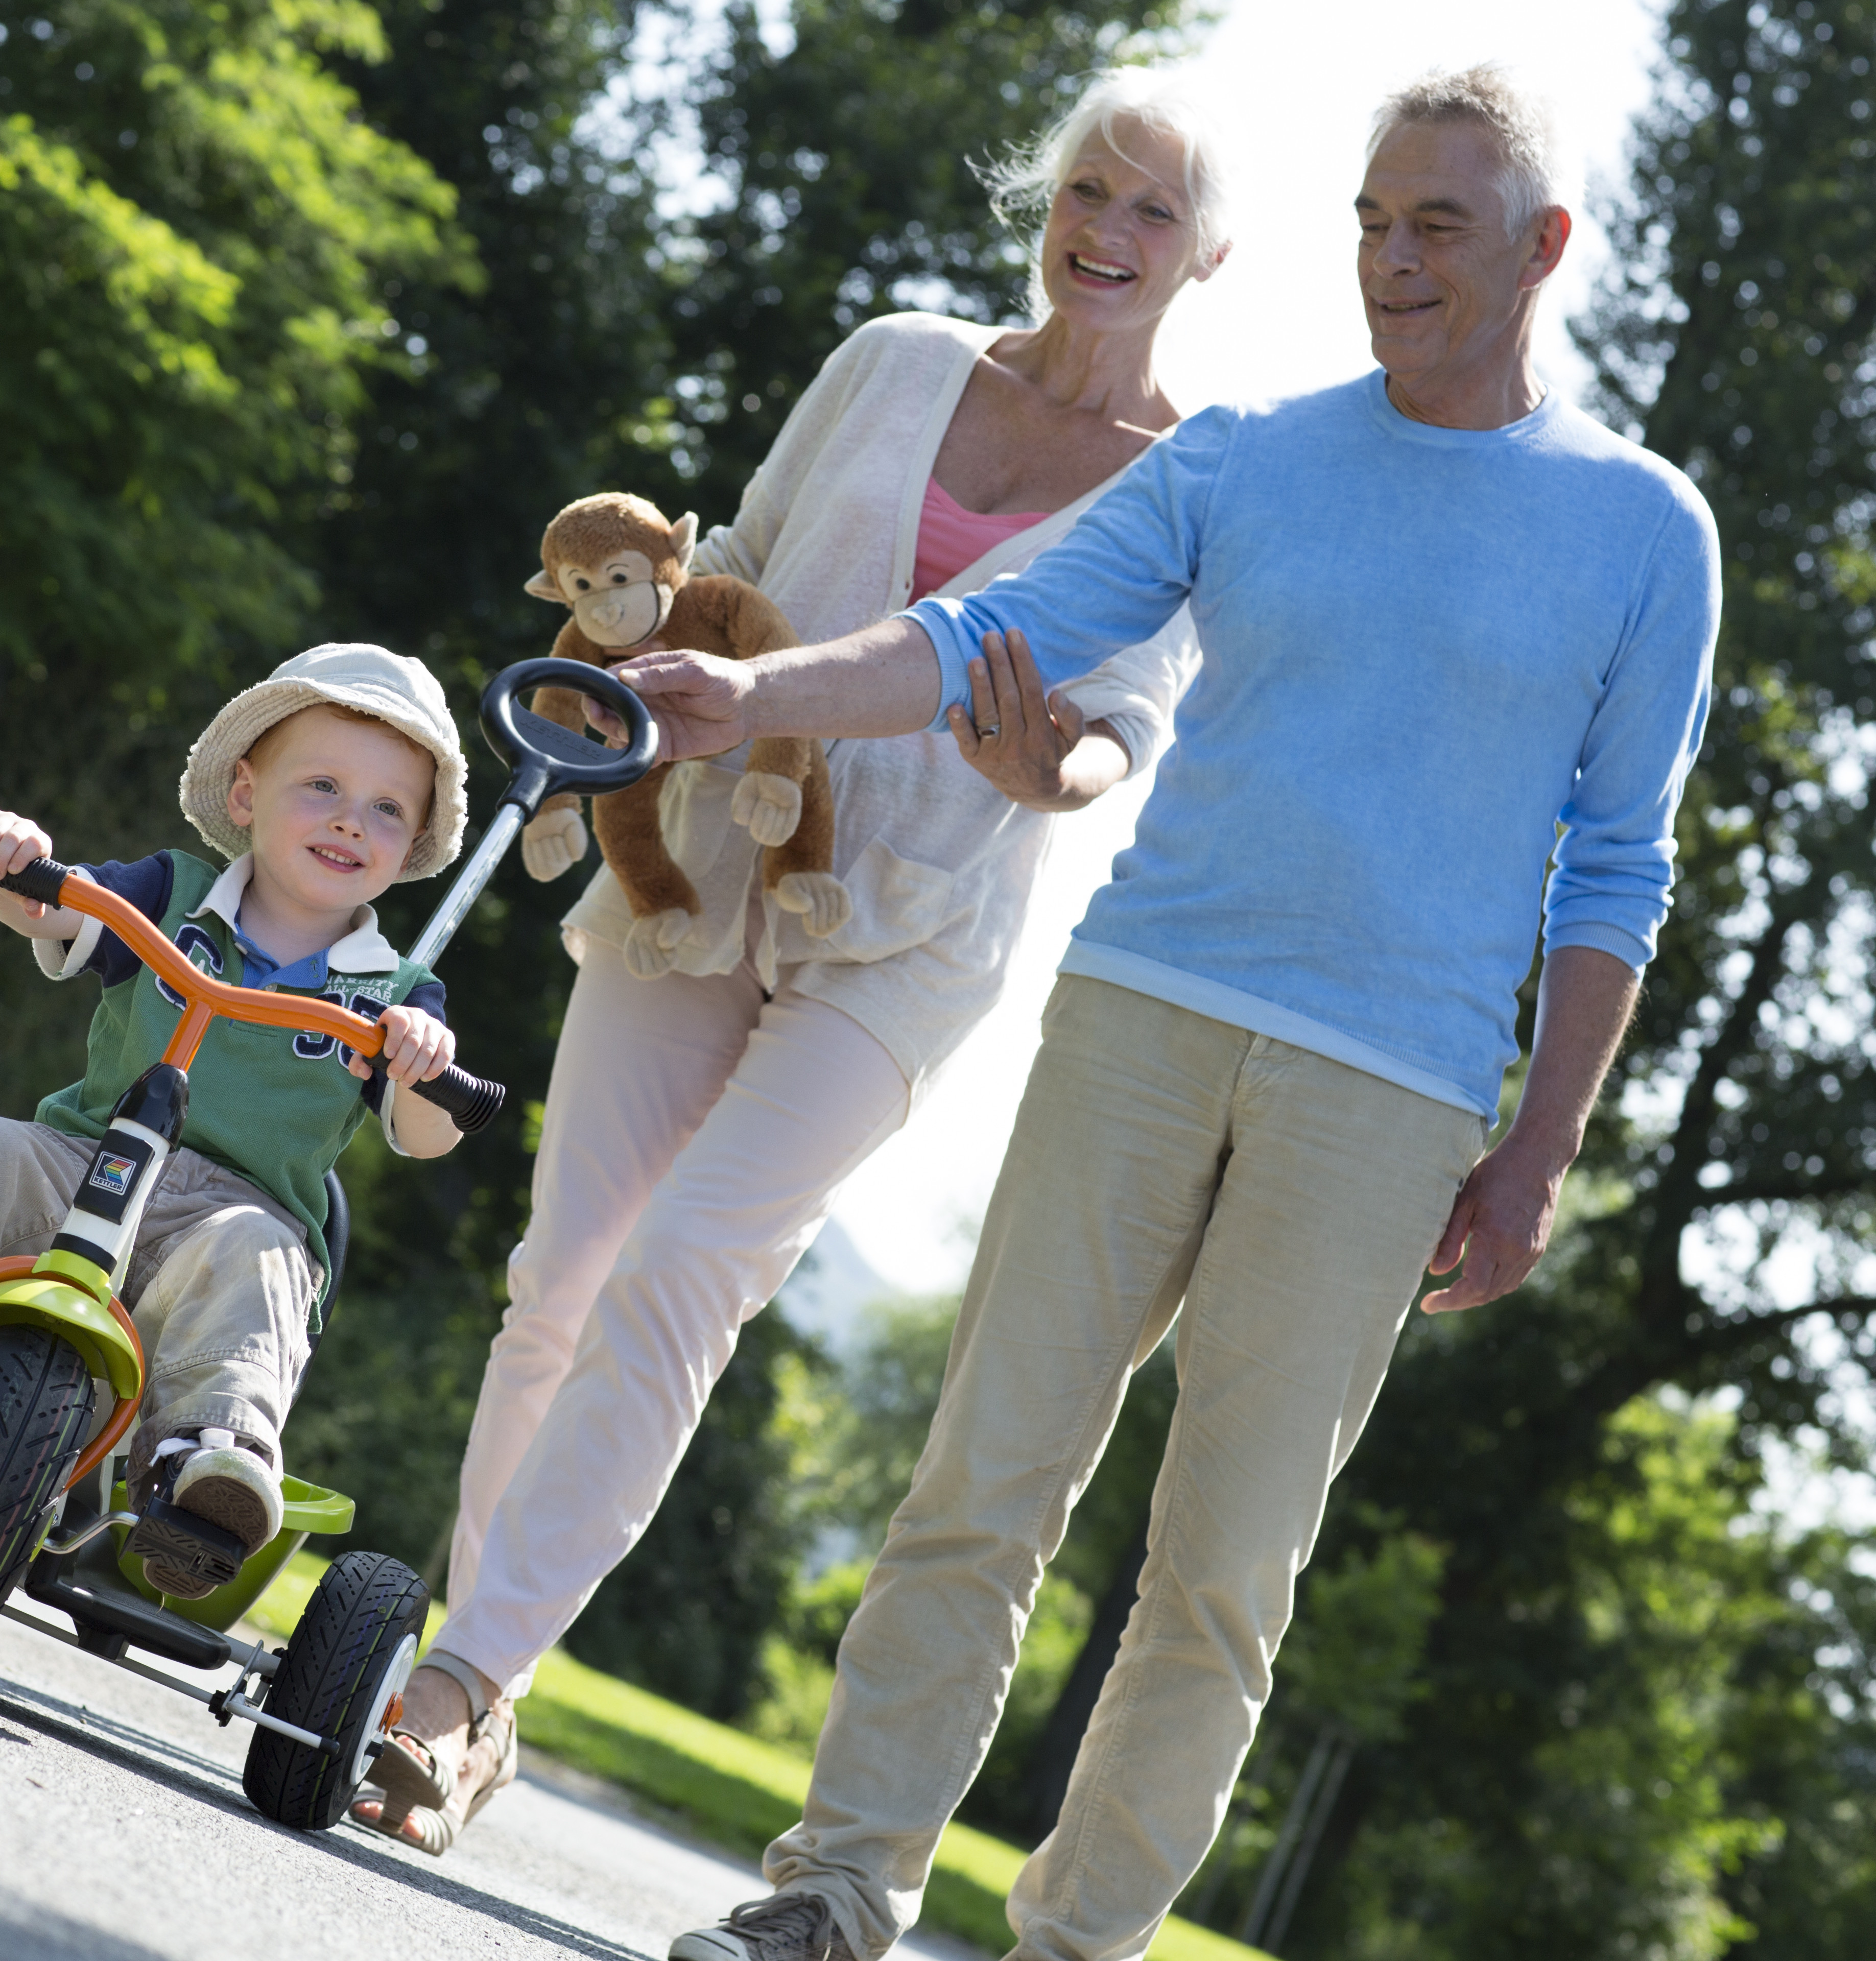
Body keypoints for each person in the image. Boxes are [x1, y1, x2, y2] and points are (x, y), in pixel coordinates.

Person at [613, 65, 1722, 1961]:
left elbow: (1619, 865)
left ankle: (1080, 1942)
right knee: (986, 1478)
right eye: (1372, 220)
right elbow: (982, 638)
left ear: (1545, 246)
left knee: (1221, 1578)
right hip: (1146, 1006)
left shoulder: (1644, 530)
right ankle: (834, 1891)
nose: (1389, 258)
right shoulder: (1247, 457)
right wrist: (767, 693)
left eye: (1436, 224)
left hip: (1395, 1094)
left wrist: (1539, 1149)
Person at [356, 71, 1226, 1854]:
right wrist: (632, 673)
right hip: (699, 865)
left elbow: (1114, 738)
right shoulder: (901, 358)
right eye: (1090, 187)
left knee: (687, 1269)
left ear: (1211, 252)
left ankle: (449, 1693)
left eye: (1154, 209)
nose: (1109, 232)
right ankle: (484, 1690)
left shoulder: (1192, 486)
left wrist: (1034, 763)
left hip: (907, 939)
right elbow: (736, 560)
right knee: (563, 1278)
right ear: (1044, 198)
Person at [0, 643, 473, 1598]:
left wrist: (423, 1064)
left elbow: (428, 1131)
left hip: (233, 1215)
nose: (354, 819)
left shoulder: (393, 994)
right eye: (323, 786)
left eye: (390, 808)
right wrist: (10, 859)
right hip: (85, 1166)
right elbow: (49, 912)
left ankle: (205, 1459)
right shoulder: (171, 894)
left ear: (414, 843)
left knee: (259, 1255)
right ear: (244, 795)